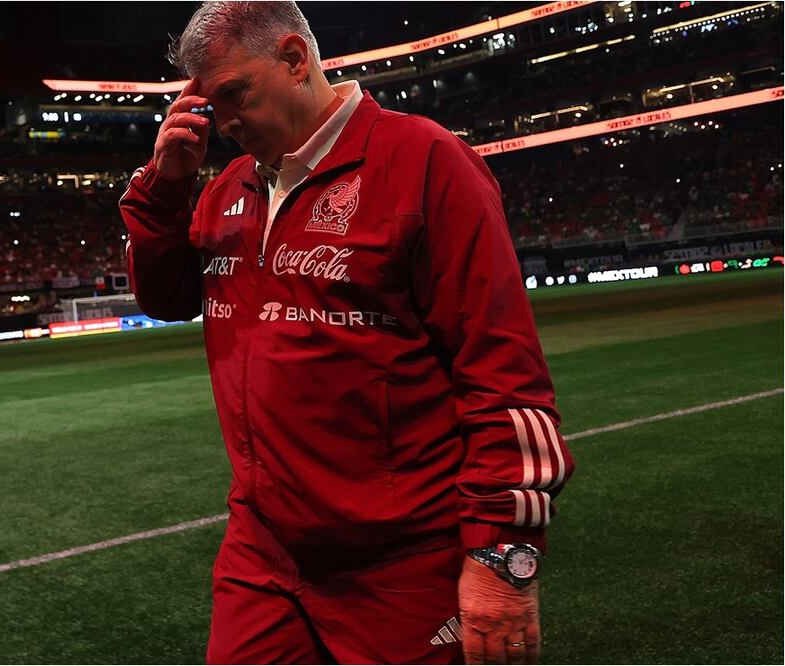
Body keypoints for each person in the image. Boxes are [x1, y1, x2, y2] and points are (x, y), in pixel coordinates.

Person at [119, 2, 576, 663]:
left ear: (294, 59)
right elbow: (165, 298)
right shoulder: (225, 192)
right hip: (263, 549)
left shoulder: (424, 162)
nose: (222, 123)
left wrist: (501, 557)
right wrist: (166, 188)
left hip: (401, 559)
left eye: (233, 96)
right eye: (208, 106)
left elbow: (503, 375)